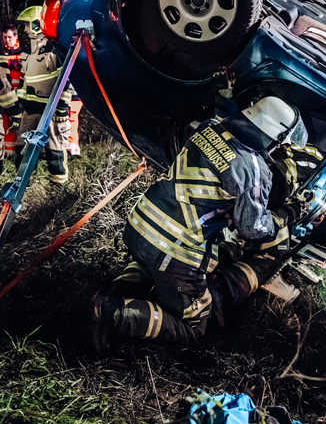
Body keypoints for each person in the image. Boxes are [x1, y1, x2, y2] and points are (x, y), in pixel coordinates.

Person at [90, 95, 311, 356]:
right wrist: (290, 212)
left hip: (140, 224)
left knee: (148, 268)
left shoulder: (210, 127)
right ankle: (114, 314)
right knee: (194, 327)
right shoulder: (253, 170)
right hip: (173, 252)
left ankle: (119, 291)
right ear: (273, 137)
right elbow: (254, 229)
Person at [13, 6, 72, 183]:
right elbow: (25, 82)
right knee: (22, 149)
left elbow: (66, 82)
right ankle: (23, 184)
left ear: (37, 24)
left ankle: (59, 186)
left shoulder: (55, 51)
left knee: (55, 151)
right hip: (30, 111)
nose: (25, 29)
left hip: (51, 111)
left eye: (27, 24)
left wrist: (62, 110)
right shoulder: (27, 53)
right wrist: (20, 108)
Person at [0, 24, 24, 159]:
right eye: (4, 37)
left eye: (9, 37)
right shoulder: (2, 54)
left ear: (16, 37)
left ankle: (15, 150)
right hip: (6, 94)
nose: (6, 40)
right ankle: (8, 151)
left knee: (17, 123)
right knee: (5, 122)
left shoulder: (22, 53)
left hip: (18, 94)